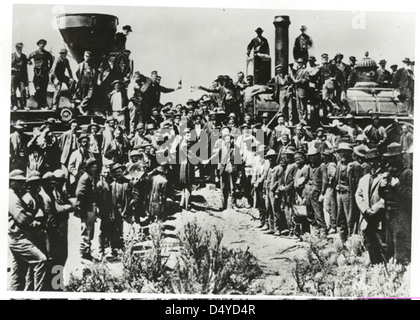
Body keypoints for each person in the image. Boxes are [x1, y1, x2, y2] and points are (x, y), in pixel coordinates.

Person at [8, 170, 47, 291]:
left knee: (18, 271)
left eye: (22, 182)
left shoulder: (15, 195)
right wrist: (36, 223)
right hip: (18, 238)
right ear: (12, 182)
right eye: (18, 182)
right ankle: (37, 294)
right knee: (41, 260)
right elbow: (22, 219)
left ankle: (15, 295)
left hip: (16, 237)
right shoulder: (12, 197)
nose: (21, 185)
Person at [378, 143, 412, 265]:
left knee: (401, 246)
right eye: (389, 158)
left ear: (400, 157)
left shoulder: (408, 174)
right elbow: (384, 195)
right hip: (389, 213)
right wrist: (381, 187)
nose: (391, 161)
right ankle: (391, 272)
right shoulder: (389, 173)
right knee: (389, 245)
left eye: (394, 157)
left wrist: (397, 186)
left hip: (401, 215)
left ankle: (402, 273)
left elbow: (411, 196)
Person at [355, 148, 387, 265]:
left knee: (382, 246)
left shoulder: (384, 176)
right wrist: (365, 209)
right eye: (369, 161)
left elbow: (386, 196)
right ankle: (375, 269)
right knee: (370, 246)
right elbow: (358, 195)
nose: (372, 163)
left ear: (379, 161)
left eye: (374, 160)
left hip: (379, 218)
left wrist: (376, 208)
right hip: (367, 218)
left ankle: (386, 273)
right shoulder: (364, 179)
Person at [75, 158, 100, 260]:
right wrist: (87, 203)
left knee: (90, 230)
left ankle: (87, 251)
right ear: (88, 168)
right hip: (86, 207)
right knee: (86, 230)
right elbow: (80, 193)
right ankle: (84, 253)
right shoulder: (85, 178)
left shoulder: (91, 177)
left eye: (95, 166)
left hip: (90, 206)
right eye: (92, 167)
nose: (94, 168)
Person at [305, 147, 328, 237]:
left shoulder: (322, 166)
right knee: (309, 214)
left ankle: (323, 233)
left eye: (313, 156)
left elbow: (325, 180)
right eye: (310, 157)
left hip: (317, 193)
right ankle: (316, 231)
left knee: (319, 214)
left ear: (317, 156)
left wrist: (322, 194)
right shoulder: (310, 167)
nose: (311, 158)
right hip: (309, 193)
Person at [334, 143, 354, 243]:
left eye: (344, 152)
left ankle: (351, 242)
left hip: (348, 194)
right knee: (340, 218)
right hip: (339, 194)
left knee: (349, 218)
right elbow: (335, 179)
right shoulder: (339, 165)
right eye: (340, 152)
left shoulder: (351, 165)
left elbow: (353, 184)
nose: (342, 154)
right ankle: (343, 241)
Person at [28, 39, 54, 109]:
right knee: (38, 89)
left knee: (44, 90)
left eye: (43, 44)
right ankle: (38, 104)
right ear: (38, 45)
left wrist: (49, 68)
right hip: (37, 74)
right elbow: (28, 58)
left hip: (45, 74)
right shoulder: (35, 53)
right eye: (40, 44)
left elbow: (51, 60)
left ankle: (44, 105)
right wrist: (29, 62)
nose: (42, 45)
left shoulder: (47, 54)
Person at [321, 149, 337, 234]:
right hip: (328, 187)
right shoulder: (327, 165)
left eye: (326, 156)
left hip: (330, 187)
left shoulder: (331, 165)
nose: (324, 158)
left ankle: (332, 225)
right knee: (327, 206)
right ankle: (330, 224)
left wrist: (329, 179)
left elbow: (333, 175)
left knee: (329, 206)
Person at [76, 51, 96, 115]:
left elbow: (94, 73)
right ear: (84, 57)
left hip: (91, 80)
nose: (87, 58)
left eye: (89, 56)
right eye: (86, 56)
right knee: (83, 95)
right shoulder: (81, 64)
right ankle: (84, 110)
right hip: (84, 80)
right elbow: (77, 73)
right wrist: (81, 79)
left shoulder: (92, 65)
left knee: (90, 95)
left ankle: (81, 105)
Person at [11, 42, 29, 110]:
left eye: (21, 47)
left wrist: (26, 80)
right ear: (16, 47)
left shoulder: (24, 56)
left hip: (21, 76)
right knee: (13, 91)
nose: (19, 49)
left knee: (23, 90)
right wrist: (12, 68)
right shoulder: (12, 55)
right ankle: (14, 105)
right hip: (13, 76)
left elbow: (25, 69)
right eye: (18, 47)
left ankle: (24, 106)